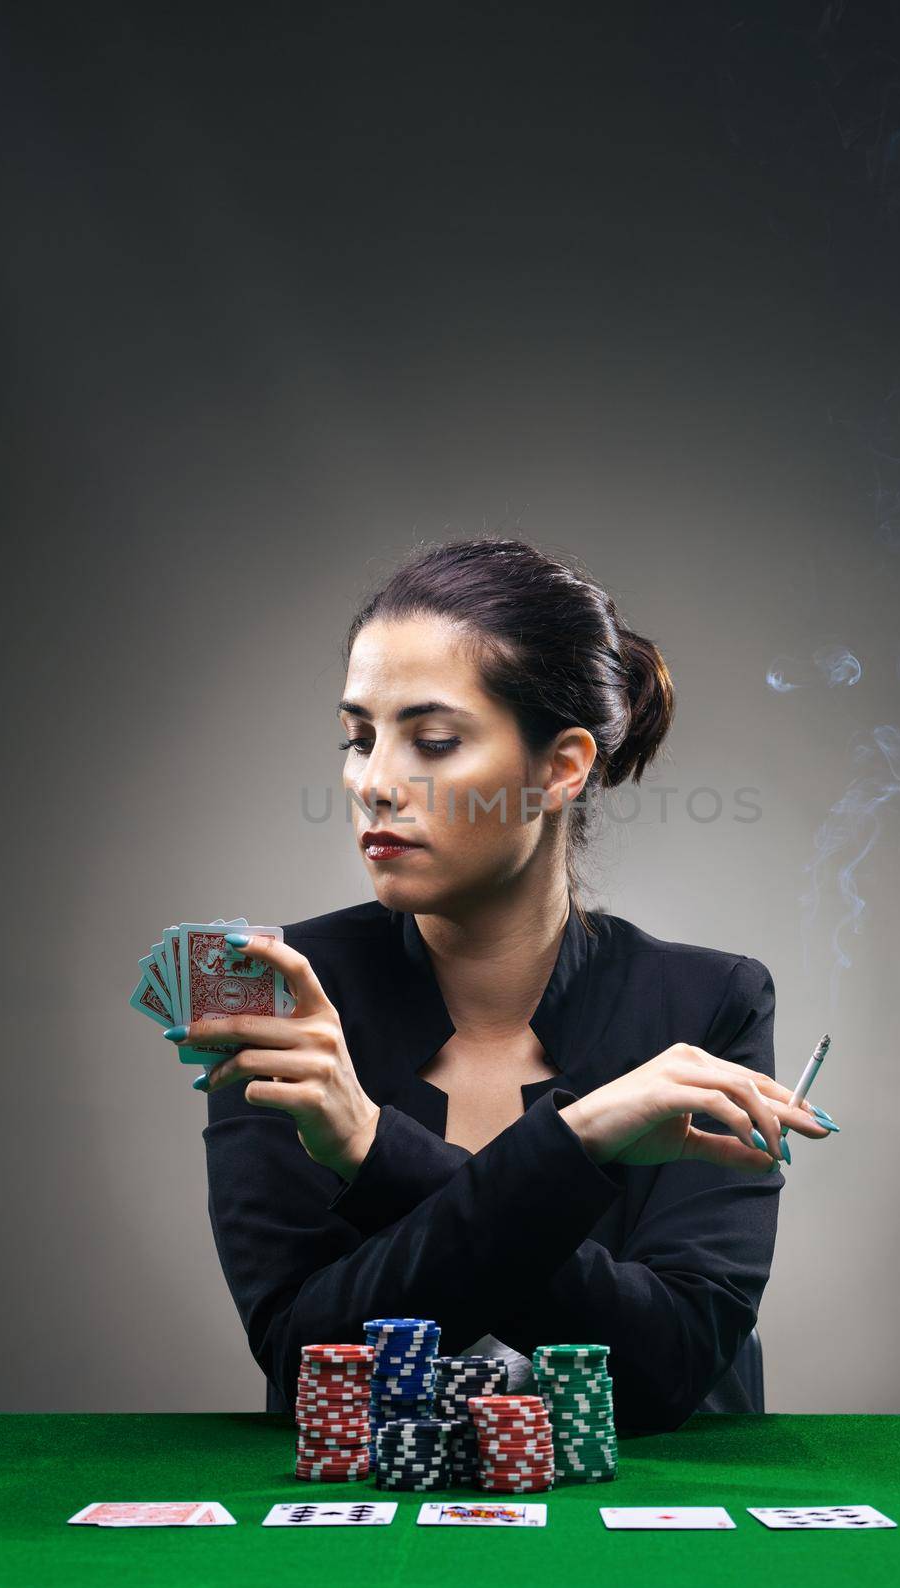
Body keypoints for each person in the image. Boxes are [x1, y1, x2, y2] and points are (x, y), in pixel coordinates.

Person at [194, 537, 831, 1433]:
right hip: (369, 1554)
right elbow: (310, 1364)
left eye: (435, 740)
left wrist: (377, 1154)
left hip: (640, 1548)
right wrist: (575, 1144)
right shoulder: (283, 994)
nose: (374, 782)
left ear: (561, 767)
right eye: (358, 738)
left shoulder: (705, 1005)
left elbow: (667, 1366)